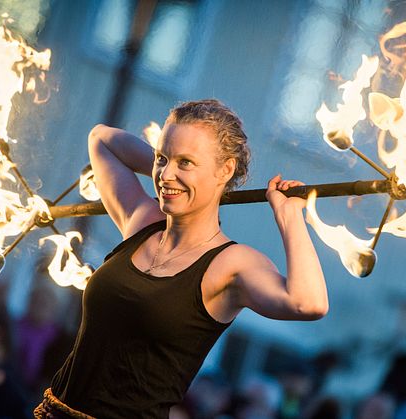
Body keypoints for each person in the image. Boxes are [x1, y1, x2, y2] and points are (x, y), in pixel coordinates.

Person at [35, 99, 328, 418]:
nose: (165, 174)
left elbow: (309, 303)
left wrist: (289, 216)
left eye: (186, 162)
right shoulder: (142, 223)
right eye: (163, 158)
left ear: (225, 169)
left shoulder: (230, 265)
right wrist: (175, 173)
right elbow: (101, 139)